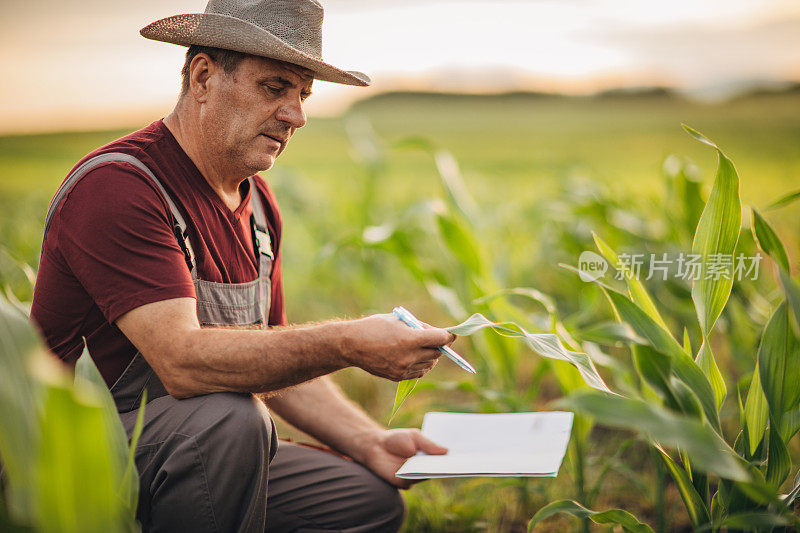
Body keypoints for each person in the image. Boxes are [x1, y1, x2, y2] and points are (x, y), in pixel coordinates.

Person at [30, 0, 456, 531]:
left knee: (363, 502)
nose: (296, 115)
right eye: (275, 88)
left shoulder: (255, 204)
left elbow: (272, 350)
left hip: (183, 448)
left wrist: (368, 440)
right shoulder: (120, 186)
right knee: (229, 419)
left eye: (303, 95)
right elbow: (183, 362)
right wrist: (347, 343)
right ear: (204, 76)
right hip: (68, 459)